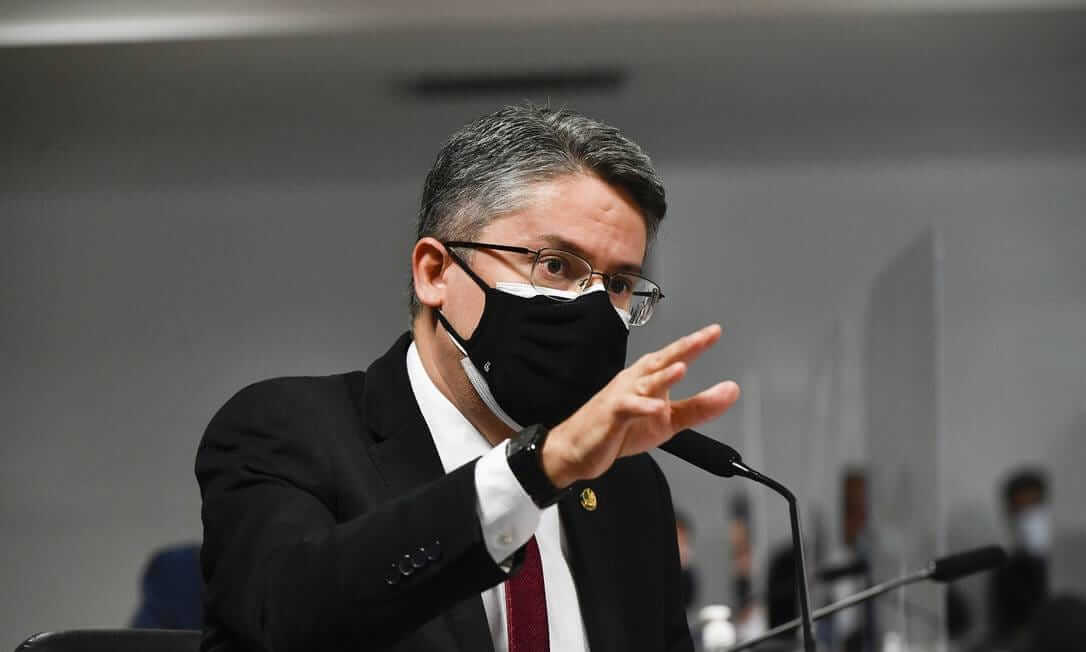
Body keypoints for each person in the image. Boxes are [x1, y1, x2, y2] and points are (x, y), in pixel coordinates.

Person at [196, 105, 741, 652]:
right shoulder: (288, 432)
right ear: (435, 273)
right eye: (555, 265)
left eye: (618, 284)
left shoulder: (627, 486)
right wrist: (535, 471)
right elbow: (286, 619)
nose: (595, 308)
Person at [985, 467, 1051, 646]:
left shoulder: (1071, 561)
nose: (1029, 518)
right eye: (1021, 510)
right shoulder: (1005, 573)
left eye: (1035, 506)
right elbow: (1003, 633)